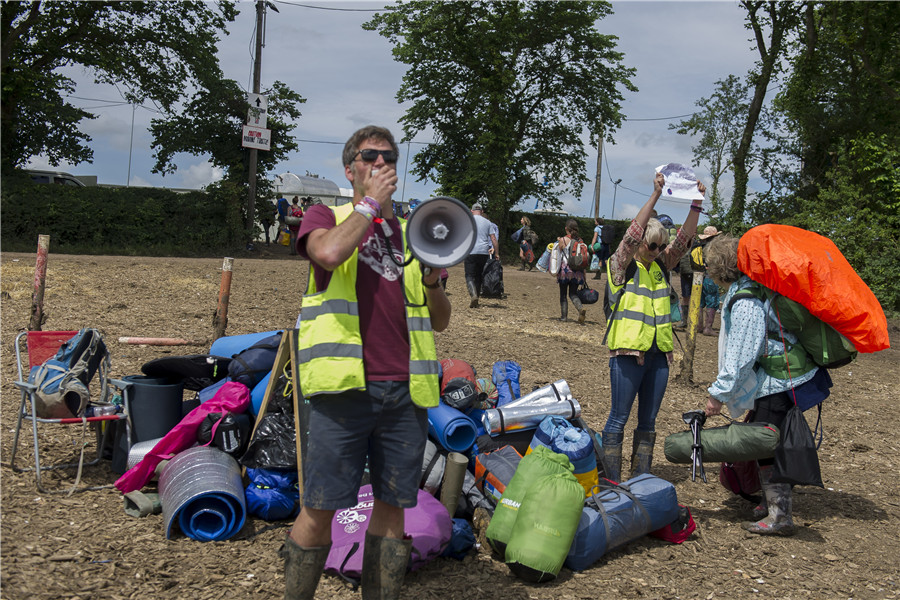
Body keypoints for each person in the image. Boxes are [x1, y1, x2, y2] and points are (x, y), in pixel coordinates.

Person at [284, 125, 451, 600]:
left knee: (393, 507)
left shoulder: (414, 234)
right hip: (344, 389)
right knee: (320, 507)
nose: (380, 163)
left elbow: (439, 321)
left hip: (406, 393)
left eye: (388, 157)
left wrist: (436, 279)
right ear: (349, 168)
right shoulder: (326, 214)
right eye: (369, 156)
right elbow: (330, 253)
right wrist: (369, 207)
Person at [703, 235, 831, 536]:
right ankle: (769, 503)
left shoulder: (745, 299)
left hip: (780, 380)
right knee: (768, 442)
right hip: (782, 378)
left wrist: (718, 395)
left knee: (765, 444)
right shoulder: (751, 289)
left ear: (719, 268)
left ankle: (780, 516)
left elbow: (742, 354)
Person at [600, 172, 704, 481]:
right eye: (652, 245)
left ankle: (640, 479)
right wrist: (655, 196)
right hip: (628, 355)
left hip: (660, 356)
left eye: (661, 246)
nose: (658, 250)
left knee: (648, 422)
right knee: (618, 419)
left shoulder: (661, 264)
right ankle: (611, 481)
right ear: (640, 243)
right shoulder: (621, 266)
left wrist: (696, 205)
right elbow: (630, 234)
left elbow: (684, 241)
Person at [464, 202, 499, 308]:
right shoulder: (488, 222)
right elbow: (493, 239)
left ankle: (473, 295)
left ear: (471, 211)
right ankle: (477, 299)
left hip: (470, 251)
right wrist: (496, 253)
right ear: (482, 211)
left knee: (469, 275)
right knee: (479, 275)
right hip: (484, 252)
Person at [555, 219, 588, 324]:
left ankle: (564, 317)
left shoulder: (563, 240)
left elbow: (557, 253)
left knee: (563, 294)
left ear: (566, 228)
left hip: (565, 270)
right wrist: (584, 274)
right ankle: (580, 308)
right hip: (577, 271)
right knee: (573, 293)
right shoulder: (580, 241)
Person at [691, 226, 722, 335]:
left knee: (700, 301)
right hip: (710, 276)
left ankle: (699, 326)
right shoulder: (713, 247)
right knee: (712, 301)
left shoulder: (698, 245)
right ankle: (708, 328)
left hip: (698, 276)